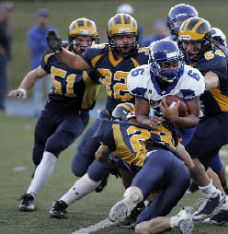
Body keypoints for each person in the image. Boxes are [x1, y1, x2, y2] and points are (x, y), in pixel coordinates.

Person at [50, 102, 194, 234]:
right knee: (141, 228)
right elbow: (190, 163)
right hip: (180, 172)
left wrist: (108, 164)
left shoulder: (116, 129)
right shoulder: (161, 126)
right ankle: (179, 219)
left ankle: (132, 201)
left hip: (155, 159)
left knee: (126, 170)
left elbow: (100, 155)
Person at [46, 13, 149, 196]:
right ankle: (106, 173)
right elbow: (75, 62)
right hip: (108, 116)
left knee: (104, 166)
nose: (125, 42)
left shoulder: (147, 56)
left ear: (136, 37)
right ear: (111, 38)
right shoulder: (100, 53)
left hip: (134, 121)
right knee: (78, 167)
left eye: (129, 37)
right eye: (120, 37)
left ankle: (128, 190)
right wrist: (58, 51)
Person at [8, 17, 101, 212]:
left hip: (76, 113)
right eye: (80, 39)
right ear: (71, 39)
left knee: (53, 146)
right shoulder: (55, 54)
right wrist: (23, 89)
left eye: (88, 40)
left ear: (95, 40)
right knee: (38, 153)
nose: (84, 44)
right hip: (52, 108)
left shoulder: (97, 60)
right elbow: (34, 74)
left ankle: (29, 195)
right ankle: (38, 173)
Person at [178, 17, 228, 222]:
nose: (190, 47)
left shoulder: (215, 52)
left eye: (195, 42)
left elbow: (212, 79)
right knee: (198, 166)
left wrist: (192, 85)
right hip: (215, 118)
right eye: (187, 43)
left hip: (227, 117)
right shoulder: (188, 53)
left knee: (187, 157)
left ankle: (213, 197)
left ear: (207, 40)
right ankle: (227, 207)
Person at [127, 40, 205, 144]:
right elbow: (141, 115)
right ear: (154, 65)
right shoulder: (142, 78)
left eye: (175, 64)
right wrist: (148, 121)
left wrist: (175, 118)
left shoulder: (190, 78)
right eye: (166, 65)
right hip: (158, 125)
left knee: (184, 155)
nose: (172, 69)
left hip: (183, 129)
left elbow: (194, 119)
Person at [27, 9, 57, 116]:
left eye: (45, 17)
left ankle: (50, 111)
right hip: (37, 65)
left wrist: (42, 43)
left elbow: (54, 47)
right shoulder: (32, 32)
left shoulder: (52, 31)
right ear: (38, 18)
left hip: (50, 65)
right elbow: (33, 47)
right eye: (41, 17)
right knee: (37, 90)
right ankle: (36, 111)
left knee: (51, 90)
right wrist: (45, 43)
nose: (43, 19)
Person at [0, 1, 13, 113]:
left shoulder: (6, 26)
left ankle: (1, 104)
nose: (9, 14)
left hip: (4, 58)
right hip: (1, 57)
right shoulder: (0, 24)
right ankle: (2, 105)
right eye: (7, 11)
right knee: (2, 82)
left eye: (10, 12)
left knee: (3, 81)